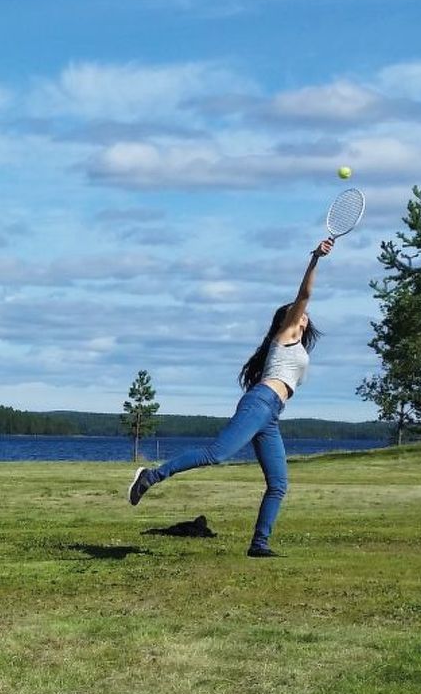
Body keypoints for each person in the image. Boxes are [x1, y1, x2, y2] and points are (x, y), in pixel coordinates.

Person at [127, 237, 335, 557]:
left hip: (272, 413)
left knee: (278, 484)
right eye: (296, 314)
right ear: (286, 321)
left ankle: (259, 544)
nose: (303, 316)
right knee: (216, 454)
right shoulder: (286, 335)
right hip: (260, 402)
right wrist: (315, 260)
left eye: (304, 316)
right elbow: (304, 294)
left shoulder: (299, 346)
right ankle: (150, 476)